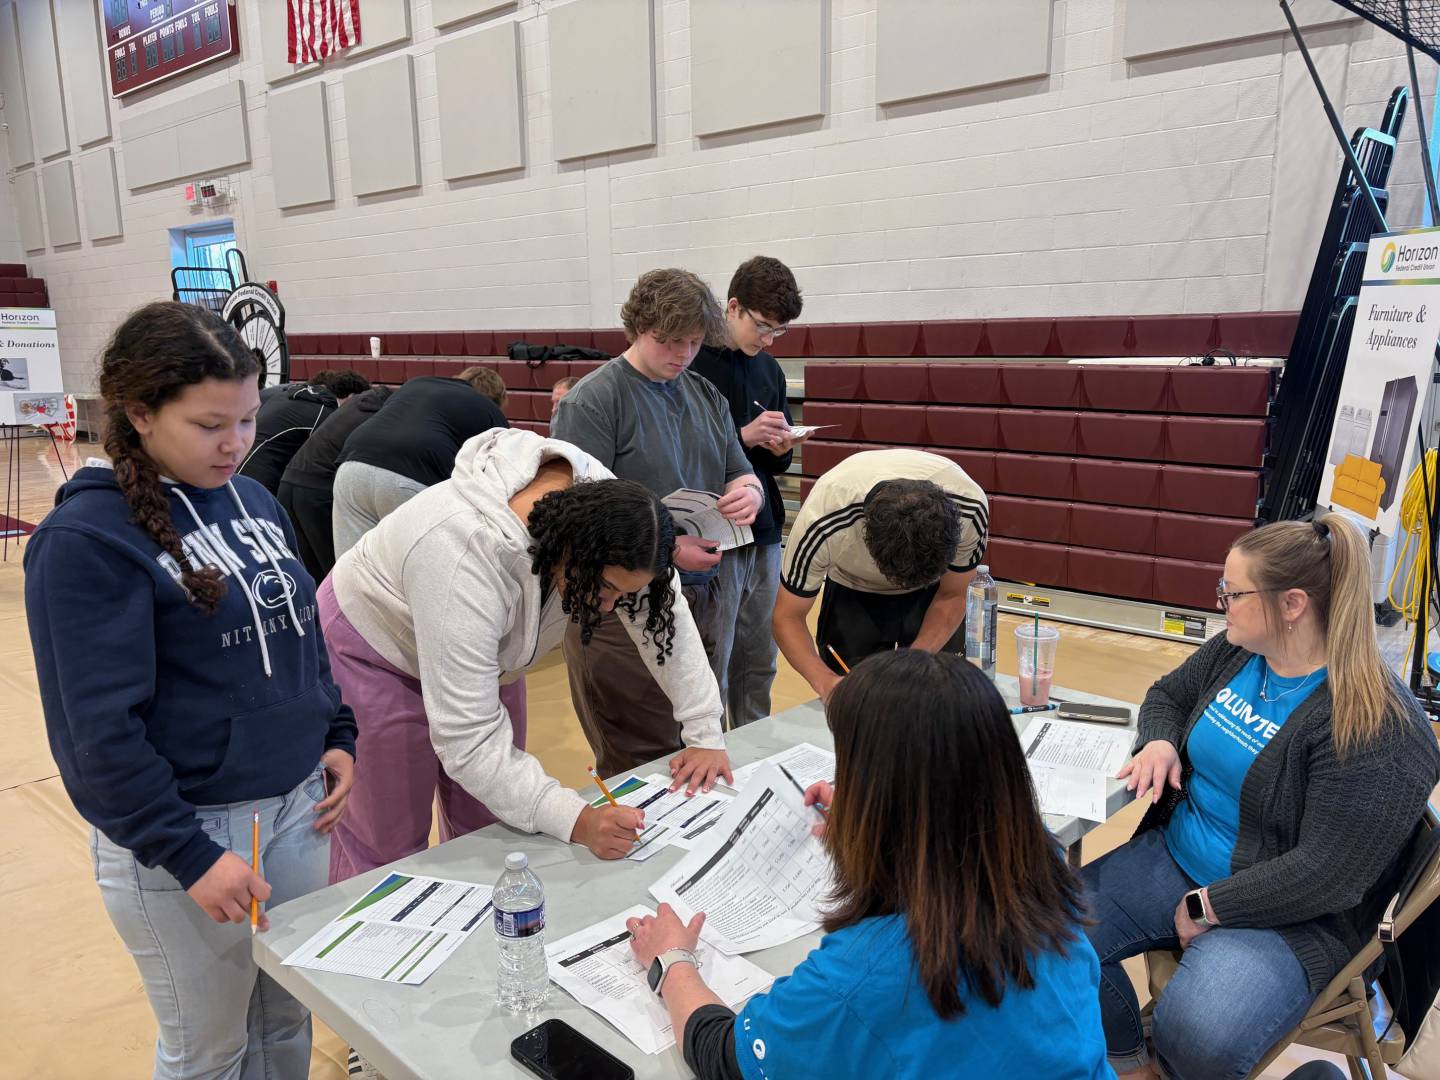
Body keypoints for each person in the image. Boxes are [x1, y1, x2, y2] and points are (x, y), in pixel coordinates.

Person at [23, 301, 356, 1079]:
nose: (236, 442)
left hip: (298, 807)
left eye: (246, 418)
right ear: (139, 413)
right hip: (191, 834)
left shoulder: (252, 498)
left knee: (286, 1018)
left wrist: (335, 734)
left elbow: (301, 632)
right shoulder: (85, 541)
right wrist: (188, 854)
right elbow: (96, 735)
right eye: (210, 425)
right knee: (209, 1047)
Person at [625, 649, 1112, 1079]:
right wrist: (873, 821)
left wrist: (672, 962)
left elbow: (725, 1056)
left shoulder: (866, 976)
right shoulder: (1040, 860)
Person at [1082, 512, 1440, 1080]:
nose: (1221, 601)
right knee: (1034, 930)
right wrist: (1159, 741)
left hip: (1293, 918)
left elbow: (1328, 876)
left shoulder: (1376, 725)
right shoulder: (1242, 650)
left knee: (1201, 1034)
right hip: (1180, 857)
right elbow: (1168, 694)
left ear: (1292, 604)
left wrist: (1210, 905)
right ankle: (1130, 1066)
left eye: (1233, 592)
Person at [322, 426, 731, 881]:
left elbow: (664, 615)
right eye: (606, 590)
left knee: (494, 822)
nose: (611, 607)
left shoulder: (607, 512)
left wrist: (704, 731)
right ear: (568, 551)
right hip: (378, 650)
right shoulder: (462, 552)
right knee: (390, 842)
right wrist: (576, 819)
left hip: (491, 649)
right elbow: (468, 738)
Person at [551, 268, 763, 775]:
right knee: (642, 753)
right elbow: (582, 520)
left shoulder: (705, 395)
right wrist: (666, 550)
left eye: (693, 342)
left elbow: (739, 467)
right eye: (669, 341)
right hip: (621, 606)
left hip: (705, 592)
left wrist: (747, 493)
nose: (683, 354)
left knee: (701, 737)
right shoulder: (595, 401)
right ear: (637, 328)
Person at [773, 447, 989, 703]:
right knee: (859, 702)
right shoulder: (822, 520)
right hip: (854, 591)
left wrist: (916, 659)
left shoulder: (969, 507)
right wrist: (825, 681)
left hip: (934, 596)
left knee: (937, 695)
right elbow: (787, 617)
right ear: (866, 540)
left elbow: (953, 593)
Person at [691, 255, 805, 727]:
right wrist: (743, 437)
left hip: (765, 531)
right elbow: (686, 455)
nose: (767, 339)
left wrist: (781, 445)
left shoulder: (770, 370)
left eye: (777, 332)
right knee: (715, 656)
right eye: (761, 326)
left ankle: (753, 740)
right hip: (716, 528)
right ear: (732, 307)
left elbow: (776, 463)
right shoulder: (692, 362)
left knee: (760, 657)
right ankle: (711, 749)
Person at [331, 367, 508, 558]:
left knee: (352, 571)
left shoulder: (417, 383)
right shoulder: (489, 410)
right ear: (497, 399)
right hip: (410, 476)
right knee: (422, 572)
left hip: (351, 468)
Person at [277, 383, 392, 581]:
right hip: (320, 489)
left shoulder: (354, 407)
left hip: (289, 480)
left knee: (311, 573)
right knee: (338, 575)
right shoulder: (380, 418)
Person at [239, 368, 370, 494]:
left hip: (239, 471)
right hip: (262, 480)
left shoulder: (287, 394)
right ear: (352, 397)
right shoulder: (325, 411)